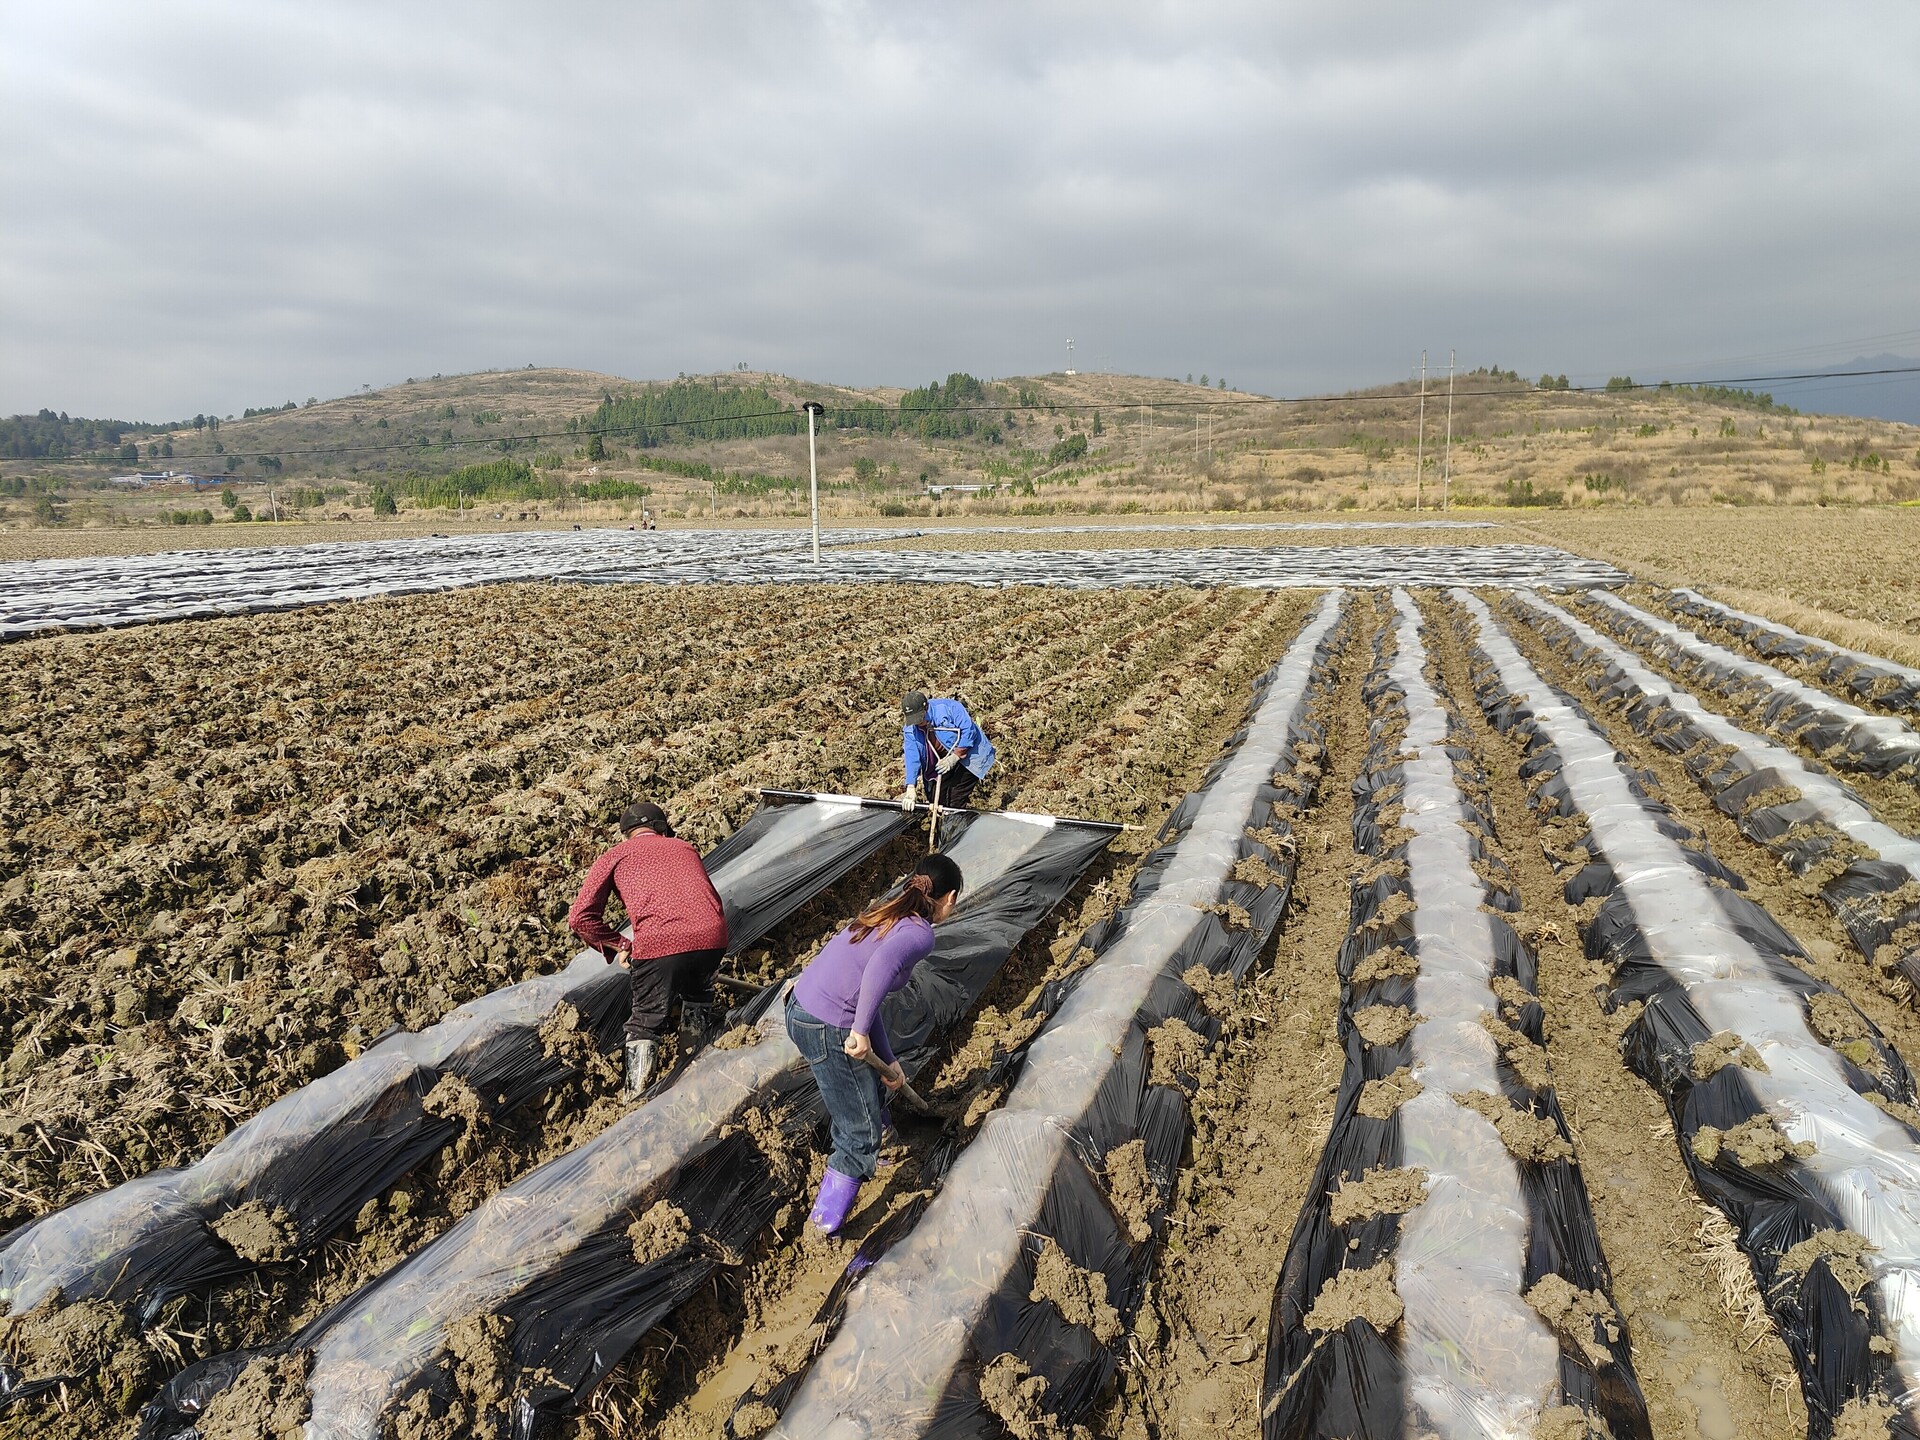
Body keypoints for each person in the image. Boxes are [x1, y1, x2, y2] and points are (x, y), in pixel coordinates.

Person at [785, 853, 964, 1235]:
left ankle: (883, 1139)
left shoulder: (887, 912)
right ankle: (822, 1226)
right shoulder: (920, 934)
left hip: (801, 1008)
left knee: (863, 1085)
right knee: (857, 1133)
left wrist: (888, 1059)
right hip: (826, 1024)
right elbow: (879, 968)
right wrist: (860, 1032)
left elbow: (866, 997)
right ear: (948, 899)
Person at [567, 800, 729, 1098]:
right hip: (713, 936)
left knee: (645, 1020)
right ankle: (694, 1071)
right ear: (662, 828)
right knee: (697, 996)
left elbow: (580, 918)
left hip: (661, 942)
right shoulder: (684, 847)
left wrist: (620, 945)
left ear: (626, 834)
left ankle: (637, 1098)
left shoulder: (615, 855)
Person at [897, 690, 996, 811]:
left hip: (970, 752)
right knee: (936, 798)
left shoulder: (949, 708)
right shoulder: (910, 728)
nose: (917, 723)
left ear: (926, 707)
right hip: (941, 758)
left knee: (955, 798)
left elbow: (968, 731)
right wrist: (910, 786)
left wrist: (955, 756)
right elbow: (912, 755)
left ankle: (956, 825)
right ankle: (942, 823)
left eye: (920, 718)